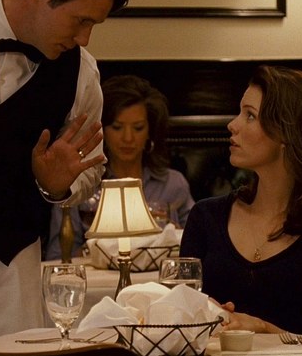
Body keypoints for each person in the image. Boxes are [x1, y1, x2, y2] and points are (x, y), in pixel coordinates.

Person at [0, 0, 130, 345]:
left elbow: (89, 169)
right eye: (81, 20)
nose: (84, 39)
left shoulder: (80, 72)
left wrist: (56, 186)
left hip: (6, 271)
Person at [180, 65, 302, 336]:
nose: (232, 124)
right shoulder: (206, 217)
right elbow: (180, 320)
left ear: (287, 132)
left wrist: (261, 327)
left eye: (250, 115)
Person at [46, 75, 195, 261]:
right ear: (102, 131)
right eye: (117, 127)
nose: (128, 138)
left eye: (138, 128)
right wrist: (100, 247)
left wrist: (171, 235)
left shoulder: (173, 184)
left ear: (150, 131)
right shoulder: (81, 185)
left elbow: (197, 249)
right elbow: (57, 256)